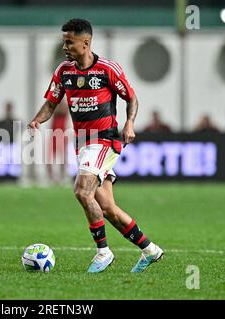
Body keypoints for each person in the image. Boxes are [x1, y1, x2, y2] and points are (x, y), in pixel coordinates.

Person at [28, 19, 163, 273]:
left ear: (86, 42)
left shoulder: (107, 70)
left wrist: (129, 123)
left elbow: (131, 98)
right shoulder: (64, 71)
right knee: (108, 208)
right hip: (83, 143)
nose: (65, 46)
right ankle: (150, 250)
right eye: (63, 41)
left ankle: (103, 252)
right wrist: (37, 119)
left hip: (104, 140)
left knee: (81, 191)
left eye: (70, 42)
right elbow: (51, 103)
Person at [46, 99, 69, 185]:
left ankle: (61, 177)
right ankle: (51, 177)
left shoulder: (64, 107)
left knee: (63, 158)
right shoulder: (55, 106)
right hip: (53, 134)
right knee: (49, 158)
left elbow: (62, 111)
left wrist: (58, 104)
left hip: (62, 134)